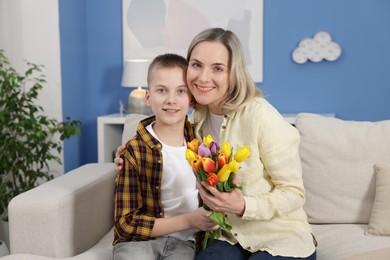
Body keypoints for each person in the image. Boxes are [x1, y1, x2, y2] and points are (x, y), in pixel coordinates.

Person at [116, 28, 317, 259]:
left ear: (234, 73)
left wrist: (243, 206)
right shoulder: (195, 121)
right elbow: (163, 137)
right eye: (196, 65)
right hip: (228, 236)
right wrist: (130, 152)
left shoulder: (261, 116)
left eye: (217, 68)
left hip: (278, 236)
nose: (203, 77)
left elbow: (293, 193)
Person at [112, 53, 218, 260]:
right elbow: (125, 225)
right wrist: (190, 221)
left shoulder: (202, 145)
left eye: (181, 91)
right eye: (162, 90)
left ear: (191, 100)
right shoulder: (134, 151)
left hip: (184, 244)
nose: (171, 100)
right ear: (149, 98)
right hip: (139, 243)